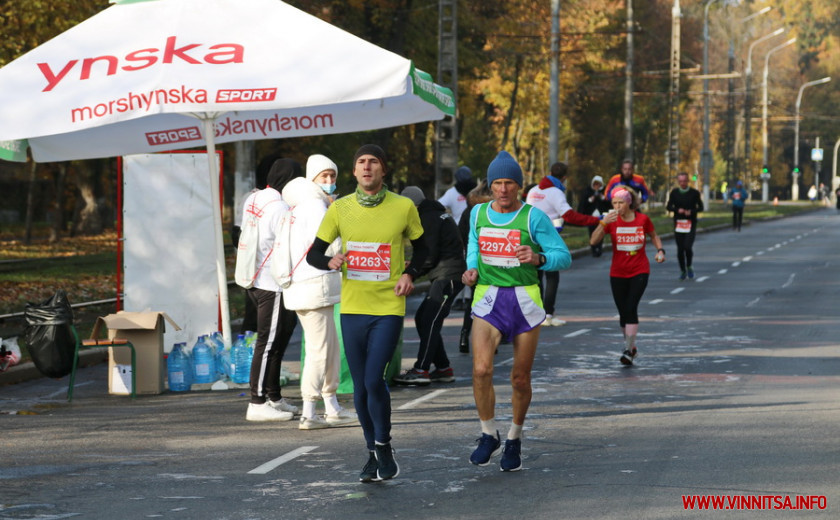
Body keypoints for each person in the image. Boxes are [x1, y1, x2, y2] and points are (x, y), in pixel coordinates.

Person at [306, 144, 428, 482]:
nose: (367, 167)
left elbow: (426, 248)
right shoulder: (340, 208)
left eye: (374, 161)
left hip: (388, 308)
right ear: (355, 171)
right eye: (360, 162)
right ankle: (372, 453)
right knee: (359, 388)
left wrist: (410, 273)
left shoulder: (403, 207)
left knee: (375, 379)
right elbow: (313, 254)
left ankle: (384, 444)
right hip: (353, 309)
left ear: (383, 170)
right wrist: (330, 260)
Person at [462, 151, 572, 472]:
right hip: (488, 298)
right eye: (497, 183)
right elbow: (473, 245)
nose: (503, 189)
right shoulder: (478, 213)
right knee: (481, 370)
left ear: (519, 186)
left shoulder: (533, 217)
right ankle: (488, 434)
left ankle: (514, 437)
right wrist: (471, 269)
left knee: (519, 378)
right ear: (490, 186)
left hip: (524, 301)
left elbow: (562, 256)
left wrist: (539, 258)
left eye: (509, 182)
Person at [274, 154, 357, 430]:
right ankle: (309, 411)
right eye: (324, 177)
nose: (330, 181)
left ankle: (331, 405)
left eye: (332, 176)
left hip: (306, 286)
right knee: (320, 350)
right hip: (314, 284)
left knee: (328, 346)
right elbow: (331, 247)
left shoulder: (299, 205)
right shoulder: (316, 206)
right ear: (312, 179)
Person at [237, 158, 303, 422]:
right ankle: (256, 402)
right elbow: (287, 244)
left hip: (252, 277)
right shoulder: (281, 207)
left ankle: (273, 396)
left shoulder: (253, 199)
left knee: (275, 342)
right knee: (267, 343)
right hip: (272, 283)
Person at [394, 186, 466, 385]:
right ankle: (443, 367)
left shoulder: (427, 219)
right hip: (448, 273)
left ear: (411, 206)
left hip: (448, 276)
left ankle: (421, 369)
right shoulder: (436, 214)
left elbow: (428, 254)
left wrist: (411, 273)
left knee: (429, 320)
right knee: (423, 318)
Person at [589, 187, 665, 366]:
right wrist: (603, 223)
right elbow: (593, 241)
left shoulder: (642, 219)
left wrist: (660, 250)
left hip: (639, 270)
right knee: (623, 312)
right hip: (617, 272)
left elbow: (654, 235)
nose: (617, 207)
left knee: (631, 307)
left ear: (629, 202)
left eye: (620, 203)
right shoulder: (611, 221)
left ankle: (628, 350)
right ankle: (630, 347)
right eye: (614, 203)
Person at [525, 162, 600, 326]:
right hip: (548, 239)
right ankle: (548, 315)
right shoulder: (555, 192)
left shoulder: (533, 190)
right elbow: (570, 216)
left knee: (535, 277)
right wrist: (596, 220)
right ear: (564, 178)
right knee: (552, 276)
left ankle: (535, 314)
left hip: (529, 238)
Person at [457, 180, 493, 354]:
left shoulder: (468, 211)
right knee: (492, 299)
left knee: (473, 300)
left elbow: (461, 236)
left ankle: (464, 336)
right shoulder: (492, 213)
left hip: (472, 261)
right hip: (491, 261)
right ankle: (492, 340)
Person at [666, 172, 703, 280]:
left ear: (688, 181)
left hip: (690, 223)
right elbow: (669, 206)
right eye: (680, 181)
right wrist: (678, 210)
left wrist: (691, 211)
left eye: (684, 181)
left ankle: (689, 265)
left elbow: (700, 207)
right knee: (680, 248)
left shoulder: (694, 193)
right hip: (679, 223)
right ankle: (682, 270)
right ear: (678, 182)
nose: (682, 183)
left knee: (687, 246)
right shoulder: (674, 193)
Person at [578, 174, 611, 257]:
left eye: (598, 184)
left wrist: (602, 198)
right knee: (592, 233)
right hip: (591, 217)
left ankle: (599, 248)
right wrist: (590, 200)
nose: (597, 186)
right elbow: (583, 204)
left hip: (601, 216)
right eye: (595, 184)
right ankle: (593, 249)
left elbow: (609, 204)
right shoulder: (588, 191)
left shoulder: (604, 191)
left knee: (600, 232)